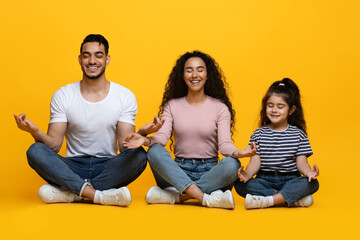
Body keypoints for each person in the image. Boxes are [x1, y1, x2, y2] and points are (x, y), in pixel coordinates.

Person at [13, 34, 159, 207]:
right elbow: (54, 146)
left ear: (107, 59)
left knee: (139, 155)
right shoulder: (64, 95)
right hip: (72, 166)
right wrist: (34, 131)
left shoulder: (124, 96)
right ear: (80, 59)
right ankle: (98, 195)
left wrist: (141, 134)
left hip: (107, 166)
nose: (92, 61)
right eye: (87, 55)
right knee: (35, 150)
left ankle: (73, 193)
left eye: (98, 55)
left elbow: (124, 146)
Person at [124, 51, 257, 209]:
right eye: (189, 70)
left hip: (210, 172)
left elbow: (225, 145)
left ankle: (178, 196)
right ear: (182, 75)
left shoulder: (220, 108)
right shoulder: (172, 105)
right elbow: (161, 139)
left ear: (208, 75)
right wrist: (144, 138)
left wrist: (239, 153)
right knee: (154, 151)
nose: (195, 75)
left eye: (200, 70)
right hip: (177, 172)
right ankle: (205, 198)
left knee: (232, 164)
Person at [234, 78, 319, 209]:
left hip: (290, 179)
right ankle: (288, 199)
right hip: (264, 180)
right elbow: (255, 163)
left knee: (313, 183)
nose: (274, 110)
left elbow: (301, 163)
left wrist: (309, 173)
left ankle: (267, 200)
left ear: (291, 110)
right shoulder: (258, 134)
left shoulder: (298, 134)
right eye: (270, 105)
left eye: (280, 107)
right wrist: (247, 175)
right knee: (239, 185)